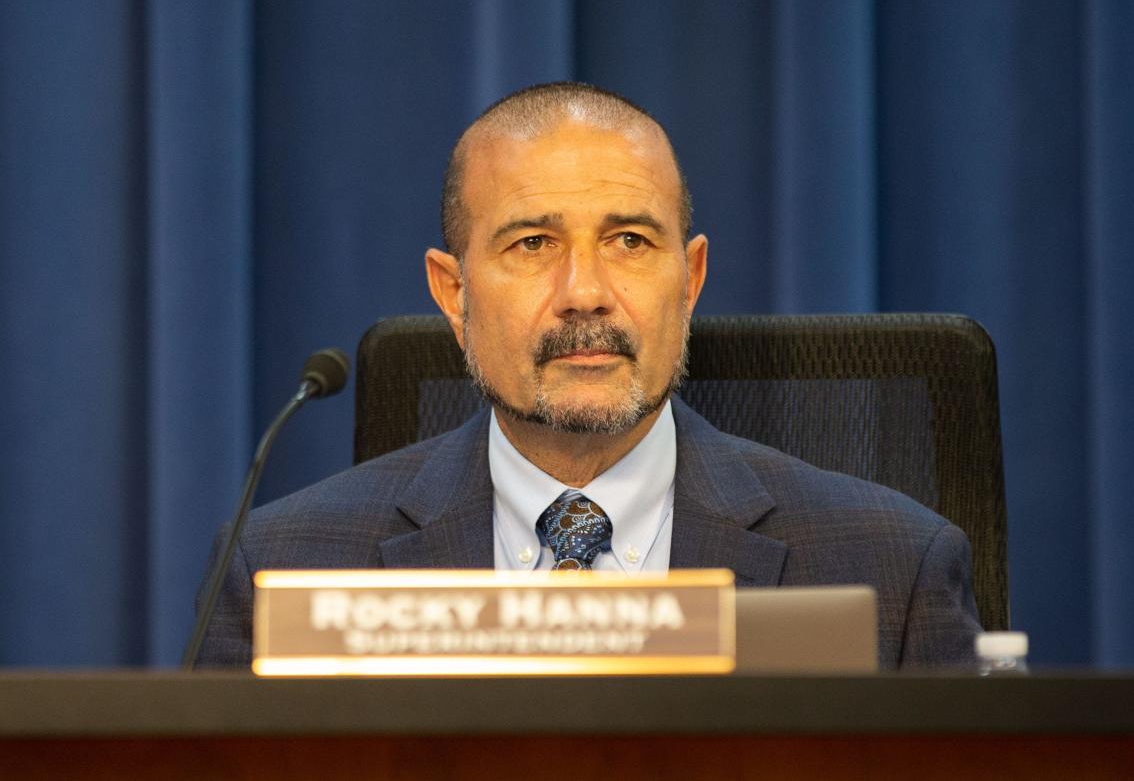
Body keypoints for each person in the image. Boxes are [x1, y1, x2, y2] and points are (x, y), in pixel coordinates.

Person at [194, 81, 982, 668]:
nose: (586, 294)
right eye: (533, 243)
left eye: (631, 241)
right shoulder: (279, 570)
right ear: (453, 292)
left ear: (691, 277)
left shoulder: (896, 573)